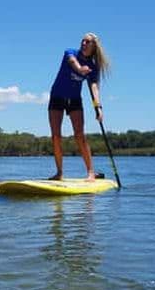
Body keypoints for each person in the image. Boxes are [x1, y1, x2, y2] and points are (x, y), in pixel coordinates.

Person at [47, 32, 110, 181]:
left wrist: (98, 107)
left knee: (80, 135)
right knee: (56, 136)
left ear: (94, 46)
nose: (83, 44)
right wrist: (81, 69)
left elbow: (94, 86)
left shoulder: (93, 67)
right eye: (82, 41)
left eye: (87, 42)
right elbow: (73, 62)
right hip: (56, 96)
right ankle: (59, 173)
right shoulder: (70, 52)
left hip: (74, 99)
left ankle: (90, 172)